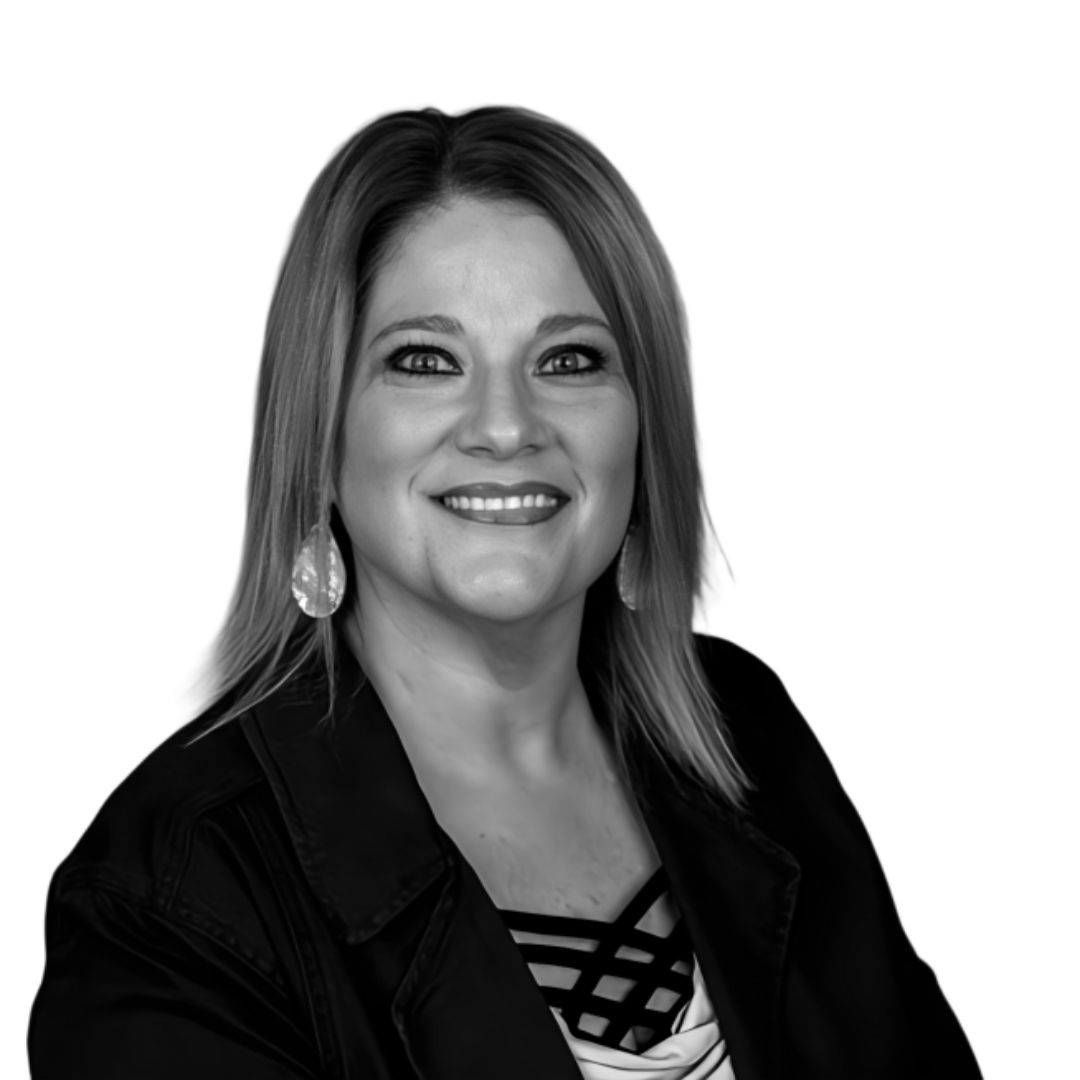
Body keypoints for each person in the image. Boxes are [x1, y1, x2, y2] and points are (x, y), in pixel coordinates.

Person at [28, 106, 982, 1079]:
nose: (504, 424)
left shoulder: (749, 734)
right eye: (425, 361)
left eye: (569, 360)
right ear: (318, 435)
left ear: (644, 428)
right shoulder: (169, 893)